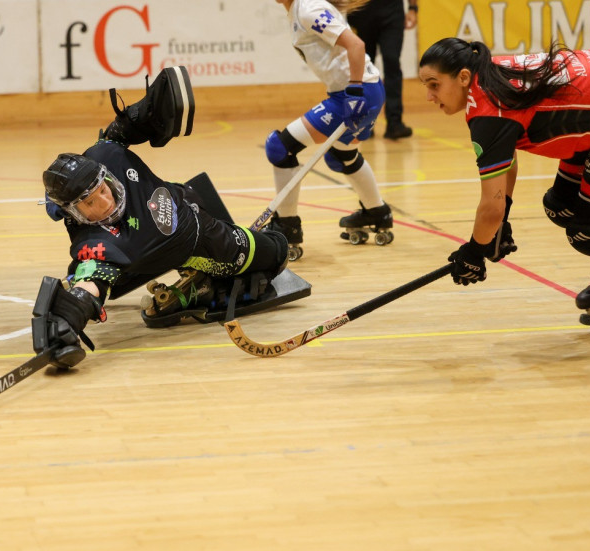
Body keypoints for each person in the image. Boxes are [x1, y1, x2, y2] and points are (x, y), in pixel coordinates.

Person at [35, 67, 298, 369]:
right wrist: (69, 318)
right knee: (276, 251)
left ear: (102, 174)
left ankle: (201, 282)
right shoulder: (97, 244)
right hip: (191, 247)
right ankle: (199, 283)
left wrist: (145, 112)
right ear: (72, 212)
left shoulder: (105, 156)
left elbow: (119, 132)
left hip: (193, 210)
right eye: (89, 204)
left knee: (276, 250)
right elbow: (92, 280)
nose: (105, 202)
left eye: (103, 190)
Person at [418, 38, 590, 329]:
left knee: (587, 229)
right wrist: (501, 220)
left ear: (463, 77)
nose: (429, 96)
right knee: (561, 207)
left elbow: (488, 210)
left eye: (434, 84)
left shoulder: (487, 110)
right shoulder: (486, 76)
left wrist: (473, 251)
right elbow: (506, 162)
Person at [266, 0, 394, 261]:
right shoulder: (299, 9)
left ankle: (286, 226)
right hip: (366, 90)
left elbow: (356, 45)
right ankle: (377, 212)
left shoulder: (308, 8)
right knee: (341, 156)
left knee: (280, 147)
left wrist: (355, 90)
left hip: (355, 94)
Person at [347, 0, 418, 139]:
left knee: (392, 63)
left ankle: (394, 123)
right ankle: (365, 124)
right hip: (361, 11)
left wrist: (412, 8)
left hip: (392, 11)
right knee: (364, 67)